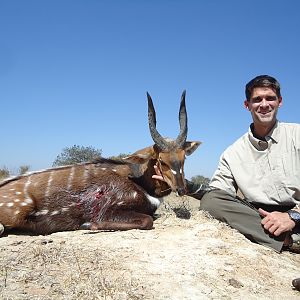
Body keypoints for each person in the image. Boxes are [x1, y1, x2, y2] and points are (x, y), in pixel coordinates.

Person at [153, 75, 300, 253]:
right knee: (211, 201)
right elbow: (217, 193)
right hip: (261, 219)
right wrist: (181, 183)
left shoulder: (296, 135)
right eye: (257, 100)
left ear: (280, 102)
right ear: (247, 105)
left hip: (296, 214)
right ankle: (287, 240)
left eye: (270, 98)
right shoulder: (233, 153)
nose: (264, 104)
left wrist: (293, 215)